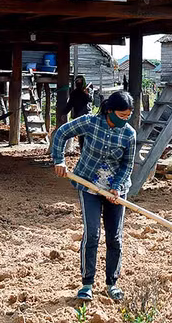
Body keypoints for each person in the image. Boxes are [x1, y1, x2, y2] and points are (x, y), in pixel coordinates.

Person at [52, 91, 136, 303]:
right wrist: (59, 160)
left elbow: (127, 165)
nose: (125, 120)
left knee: (114, 238)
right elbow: (62, 133)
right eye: (122, 115)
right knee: (92, 234)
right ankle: (87, 283)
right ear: (109, 111)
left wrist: (116, 188)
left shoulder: (129, 134)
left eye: (128, 116)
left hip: (115, 192)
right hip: (88, 185)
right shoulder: (90, 122)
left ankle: (112, 283)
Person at [64, 75, 93, 151]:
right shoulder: (74, 93)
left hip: (88, 116)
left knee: (89, 135)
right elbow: (70, 104)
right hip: (78, 117)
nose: (78, 83)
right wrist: (64, 113)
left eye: (80, 81)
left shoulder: (88, 91)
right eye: (77, 81)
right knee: (81, 136)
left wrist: (87, 93)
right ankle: (82, 151)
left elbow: (90, 100)